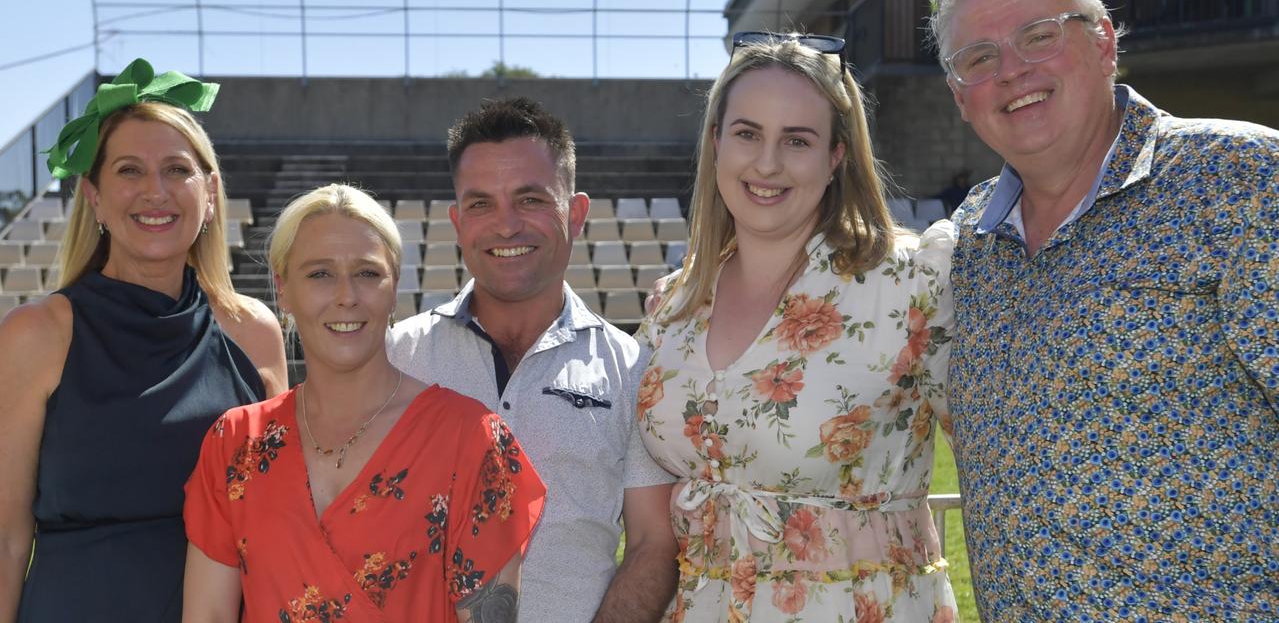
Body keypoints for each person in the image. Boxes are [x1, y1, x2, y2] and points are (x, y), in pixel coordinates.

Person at [931, 0, 1279, 621]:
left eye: (1038, 36)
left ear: (1102, 41)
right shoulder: (965, 244)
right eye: (978, 57)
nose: (1012, 71)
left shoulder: (1238, 179)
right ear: (959, 97)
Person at [635, 32, 959, 622]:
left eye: (797, 141)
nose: (766, 163)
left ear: (837, 156)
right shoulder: (671, 307)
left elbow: (1009, 465)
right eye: (747, 133)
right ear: (716, 142)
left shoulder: (911, 283)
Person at [0, 58, 288, 622]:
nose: (155, 192)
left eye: (176, 170)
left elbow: (277, 523)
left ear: (208, 195)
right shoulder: (36, 335)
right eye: (129, 170)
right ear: (94, 197)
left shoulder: (253, 332)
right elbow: (7, 539)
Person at [182, 183, 545, 622]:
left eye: (368, 273)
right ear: (283, 289)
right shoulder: (235, 443)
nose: (346, 295)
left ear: (394, 288)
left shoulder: (473, 441)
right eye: (319, 274)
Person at [387, 97, 678, 623]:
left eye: (530, 200)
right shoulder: (398, 356)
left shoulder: (635, 370)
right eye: (480, 204)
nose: (505, 226)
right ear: (456, 222)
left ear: (577, 213)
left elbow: (652, 545)